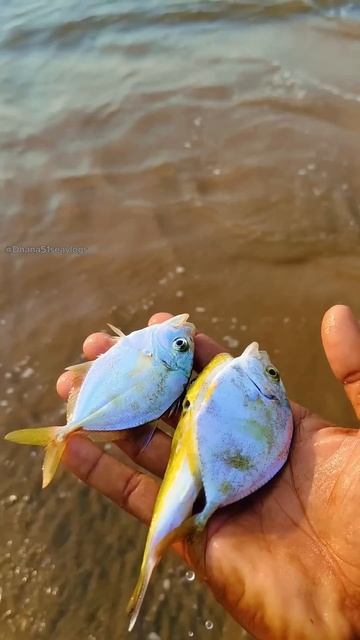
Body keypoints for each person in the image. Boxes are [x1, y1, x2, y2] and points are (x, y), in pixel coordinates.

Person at [56, 305, 360, 640]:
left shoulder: (248, 390)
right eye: (272, 374)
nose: (267, 367)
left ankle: (148, 574)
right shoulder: (247, 388)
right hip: (225, 463)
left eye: (271, 375)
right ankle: (152, 568)